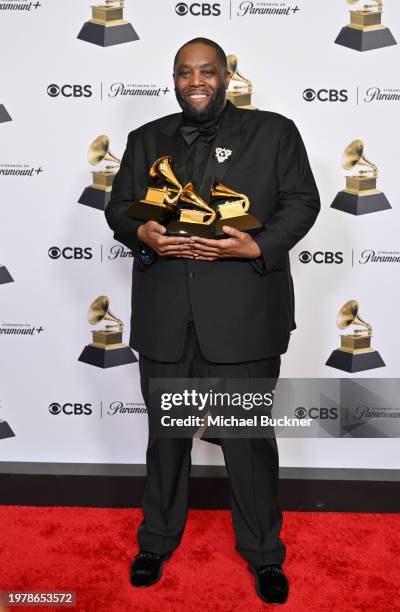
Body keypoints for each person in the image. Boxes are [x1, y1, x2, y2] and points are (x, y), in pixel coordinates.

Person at [104, 37, 320, 605]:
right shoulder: (145, 138)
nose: (194, 81)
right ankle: (156, 539)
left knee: (247, 441)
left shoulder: (275, 132)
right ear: (174, 79)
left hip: (243, 318)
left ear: (226, 75)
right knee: (166, 438)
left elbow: (302, 201)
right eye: (184, 72)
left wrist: (257, 247)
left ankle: (264, 554)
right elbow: (121, 206)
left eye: (206, 71)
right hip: (167, 317)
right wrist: (140, 230)